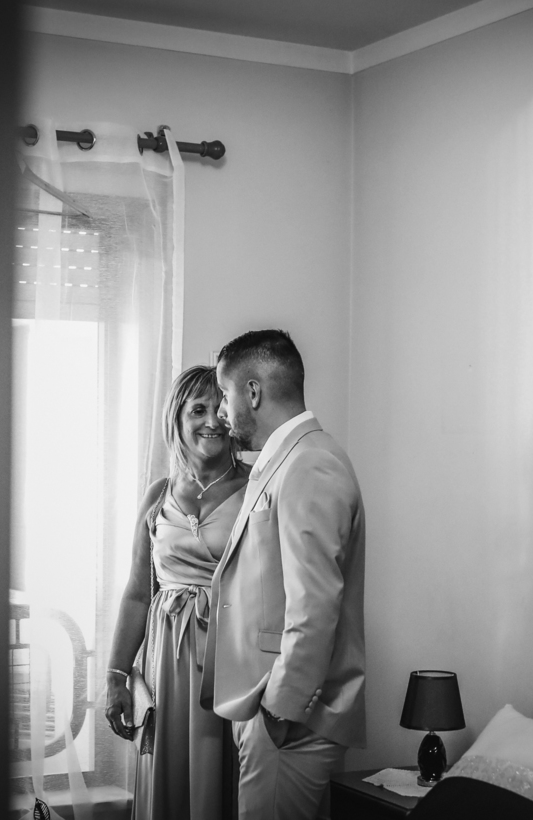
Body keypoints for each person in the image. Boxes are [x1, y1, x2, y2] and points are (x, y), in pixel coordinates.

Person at [201, 329, 366, 820]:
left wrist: (279, 710)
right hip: (269, 709)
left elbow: (315, 605)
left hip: (288, 720)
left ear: (252, 392)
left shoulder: (309, 463)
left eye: (225, 394)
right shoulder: (287, 459)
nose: (222, 412)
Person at [105, 364, 250, 819]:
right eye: (198, 410)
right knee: (169, 784)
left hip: (231, 658)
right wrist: (115, 675)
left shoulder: (257, 487)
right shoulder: (158, 495)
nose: (212, 421)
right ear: (177, 418)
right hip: (166, 665)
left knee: (224, 781)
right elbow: (137, 592)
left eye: (220, 409)